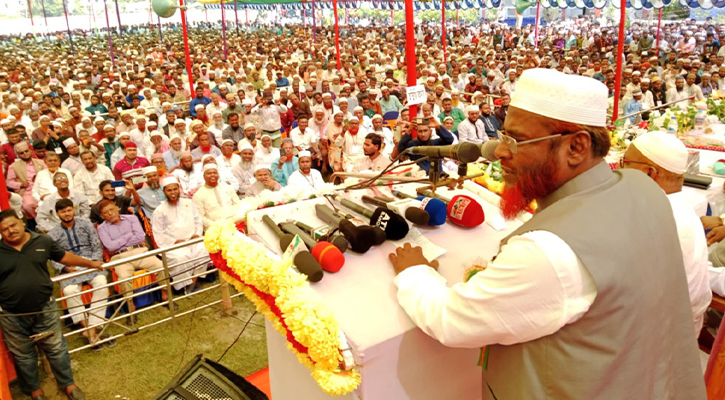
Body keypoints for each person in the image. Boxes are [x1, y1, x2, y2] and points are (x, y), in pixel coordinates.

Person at [388, 68, 706, 400]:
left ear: (576, 147)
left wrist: (414, 273)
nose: (500, 152)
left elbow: (450, 320)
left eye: (517, 140)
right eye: (503, 136)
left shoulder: (547, 251)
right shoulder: (644, 188)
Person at [0, 209, 101, 400]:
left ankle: (68, 385)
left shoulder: (42, 241)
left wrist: (90, 263)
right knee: (23, 355)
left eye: (13, 225)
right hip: (12, 315)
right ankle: (35, 392)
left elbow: (63, 257)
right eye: (4, 229)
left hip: (45, 308)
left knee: (57, 348)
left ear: (22, 222)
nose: (10, 231)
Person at [620, 132, 711, 336]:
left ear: (650, 173)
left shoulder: (657, 218)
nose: (619, 169)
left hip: (657, 335)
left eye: (625, 162)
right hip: (678, 326)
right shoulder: (681, 206)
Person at [48, 199, 113, 350]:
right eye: (63, 211)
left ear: (73, 210)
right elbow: (52, 257)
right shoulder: (53, 234)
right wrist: (65, 268)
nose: (67, 214)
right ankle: (89, 329)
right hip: (70, 268)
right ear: (58, 214)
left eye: (69, 210)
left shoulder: (86, 224)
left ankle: (90, 329)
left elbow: (96, 245)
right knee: (70, 291)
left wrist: (94, 262)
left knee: (102, 282)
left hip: (89, 263)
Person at [95, 200, 168, 325]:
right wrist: (129, 235)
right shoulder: (102, 228)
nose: (110, 213)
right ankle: (130, 306)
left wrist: (120, 241)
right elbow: (111, 247)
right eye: (106, 213)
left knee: (160, 265)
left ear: (117, 208)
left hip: (140, 251)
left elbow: (140, 237)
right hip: (120, 257)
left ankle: (165, 295)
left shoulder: (131, 218)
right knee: (124, 277)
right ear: (102, 216)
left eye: (112, 209)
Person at [151, 177, 209, 293]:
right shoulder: (159, 210)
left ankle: (193, 281)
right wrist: (174, 242)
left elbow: (198, 220)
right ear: (164, 192)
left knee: (205, 249)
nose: (173, 193)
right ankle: (184, 286)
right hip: (172, 245)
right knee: (180, 258)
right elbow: (158, 232)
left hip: (193, 240)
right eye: (169, 190)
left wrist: (197, 234)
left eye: (175, 189)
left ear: (179, 189)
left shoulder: (189, 203)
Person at [192, 163, 241, 230]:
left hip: (235, 223)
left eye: (215, 172)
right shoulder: (198, 195)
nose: (212, 175)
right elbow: (201, 217)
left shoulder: (227, 187)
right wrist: (217, 226)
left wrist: (235, 219)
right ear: (203, 176)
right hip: (215, 229)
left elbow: (238, 204)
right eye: (209, 173)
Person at [6, 141, 44, 218]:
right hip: (27, 191)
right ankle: (39, 221)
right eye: (21, 153)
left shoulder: (40, 162)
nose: (25, 154)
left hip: (42, 188)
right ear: (18, 155)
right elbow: (8, 182)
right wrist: (20, 184)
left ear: (30, 151)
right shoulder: (13, 166)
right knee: (28, 205)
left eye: (26, 151)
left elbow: (48, 174)